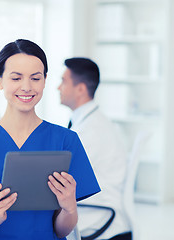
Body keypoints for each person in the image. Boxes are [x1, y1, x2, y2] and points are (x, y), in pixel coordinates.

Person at [0, 39, 101, 240]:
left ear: (44, 80)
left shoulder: (66, 141)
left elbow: (61, 231)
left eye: (35, 78)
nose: (26, 87)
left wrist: (69, 209)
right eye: (16, 78)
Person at [58, 57, 131, 240]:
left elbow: (63, 178)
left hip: (102, 220)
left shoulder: (90, 132)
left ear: (81, 89)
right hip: (100, 211)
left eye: (64, 81)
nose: (58, 87)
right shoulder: (90, 122)